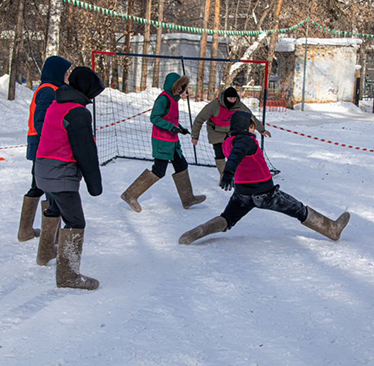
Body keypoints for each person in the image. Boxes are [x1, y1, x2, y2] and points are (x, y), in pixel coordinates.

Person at [179, 111, 350, 245]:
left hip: (242, 194)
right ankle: (332, 229)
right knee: (298, 209)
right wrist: (228, 172)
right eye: (251, 127)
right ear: (246, 128)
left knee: (227, 219)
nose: (254, 130)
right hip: (265, 194)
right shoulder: (246, 141)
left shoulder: (227, 142)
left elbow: (234, 155)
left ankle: (200, 231)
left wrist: (230, 172)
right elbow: (238, 153)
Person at [34, 66, 105, 290]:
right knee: (75, 221)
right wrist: (95, 185)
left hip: (43, 170)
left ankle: (45, 253)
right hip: (60, 174)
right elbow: (85, 151)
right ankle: (68, 276)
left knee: (54, 208)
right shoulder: (78, 113)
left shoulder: (58, 103)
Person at [121, 73, 206, 212]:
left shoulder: (174, 99)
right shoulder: (163, 99)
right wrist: (170, 127)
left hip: (172, 141)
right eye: (178, 87)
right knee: (159, 171)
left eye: (182, 87)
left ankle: (188, 199)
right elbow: (155, 118)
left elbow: (171, 118)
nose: (180, 90)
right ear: (172, 86)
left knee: (182, 165)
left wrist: (180, 128)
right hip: (162, 140)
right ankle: (130, 195)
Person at [18, 56, 71, 242]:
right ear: (57, 72)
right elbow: (42, 121)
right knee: (50, 188)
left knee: (37, 185)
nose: (67, 75)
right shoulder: (49, 91)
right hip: (43, 146)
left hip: (39, 144)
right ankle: (51, 236)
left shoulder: (50, 88)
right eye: (65, 72)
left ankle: (25, 231)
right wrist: (52, 141)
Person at [191, 86, 271, 180]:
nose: (232, 100)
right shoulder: (214, 105)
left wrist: (262, 130)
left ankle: (235, 174)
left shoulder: (239, 105)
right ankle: (223, 175)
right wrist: (195, 136)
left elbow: (251, 117)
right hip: (216, 131)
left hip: (231, 132)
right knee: (219, 153)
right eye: (230, 98)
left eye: (234, 98)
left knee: (234, 152)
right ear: (225, 97)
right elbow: (199, 119)